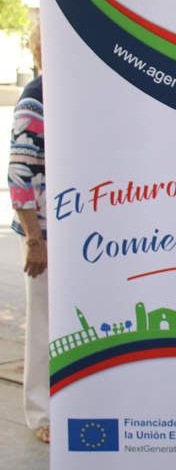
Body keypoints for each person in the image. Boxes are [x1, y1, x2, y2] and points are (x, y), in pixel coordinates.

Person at [8, 22, 48, 444]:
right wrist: (34, 239)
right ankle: (42, 413)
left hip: (72, 232)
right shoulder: (35, 97)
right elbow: (19, 174)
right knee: (42, 322)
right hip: (45, 234)